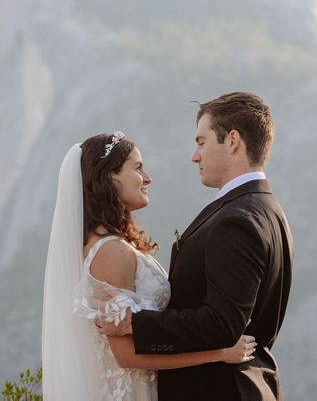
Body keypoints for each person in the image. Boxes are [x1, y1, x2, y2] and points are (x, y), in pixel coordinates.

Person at [100, 92, 294, 400]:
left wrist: (135, 324)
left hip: (217, 390)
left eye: (201, 142)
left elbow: (221, 324)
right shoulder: (268, 210)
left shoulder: (237, 220)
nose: (194, 155)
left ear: (232, 142)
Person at [42, 131, 257, 400]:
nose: (148, 178)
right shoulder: (110, 252)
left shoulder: (115, 244)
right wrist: (219, 354)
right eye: (138, 168)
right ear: (111, 176)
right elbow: (127, 356)